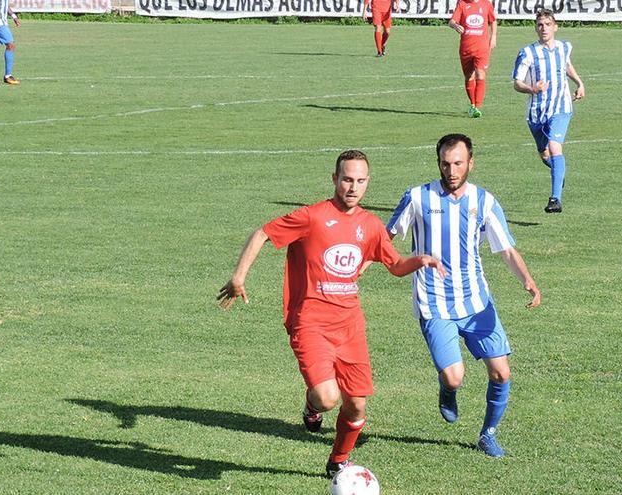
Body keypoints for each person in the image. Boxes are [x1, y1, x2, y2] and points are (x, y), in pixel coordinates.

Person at [218, 150, 446, 477]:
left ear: (368, 182)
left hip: (350, 326)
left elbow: (395, 265)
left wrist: (419, 260)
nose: (353, 187)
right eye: (347, 179)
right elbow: (262, 233)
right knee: (327, 398)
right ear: (335, 179)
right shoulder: (312, 217)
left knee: (356, 405)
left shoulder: (370, 225)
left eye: (360, 181)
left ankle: (338, 460)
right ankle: (312, 407)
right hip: (309, 322)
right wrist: (239, 277)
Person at [386, 134, 542, 458]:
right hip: (434, 302)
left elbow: (506, 249)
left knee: (501, 372)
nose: (452, 170)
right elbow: (385, 239)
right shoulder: (417, 197)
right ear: (438, 163)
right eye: (445, 163)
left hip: (476, 302)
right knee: (455, 377)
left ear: (471, 162)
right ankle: (447, 390)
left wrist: (527, 280)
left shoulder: (484, 201)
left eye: (458, 163)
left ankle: (488, 434)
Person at [512, 9, 585, 214]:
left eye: (547, 24)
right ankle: (558, 175)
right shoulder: (527, 52)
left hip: (561, 107)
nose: (543, 28)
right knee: (544, 154)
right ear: (536, 28)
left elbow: (567, 66)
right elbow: (517, 83)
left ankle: (555, 199)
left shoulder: (564, 47)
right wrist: (532, 88)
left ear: (555, 27)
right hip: (536, 112)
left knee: (555, 148)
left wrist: (579, 83)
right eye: (540, 25)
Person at [448, 0, 497, 118]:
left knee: (480, 74)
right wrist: (455, 26)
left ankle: (477, 107)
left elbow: (493, 21)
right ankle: (472, 104)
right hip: (466, 48)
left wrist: (494, 36)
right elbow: (451, 21)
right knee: (469, 76)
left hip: (482, 48)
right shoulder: (462, 3)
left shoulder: (486, 4)